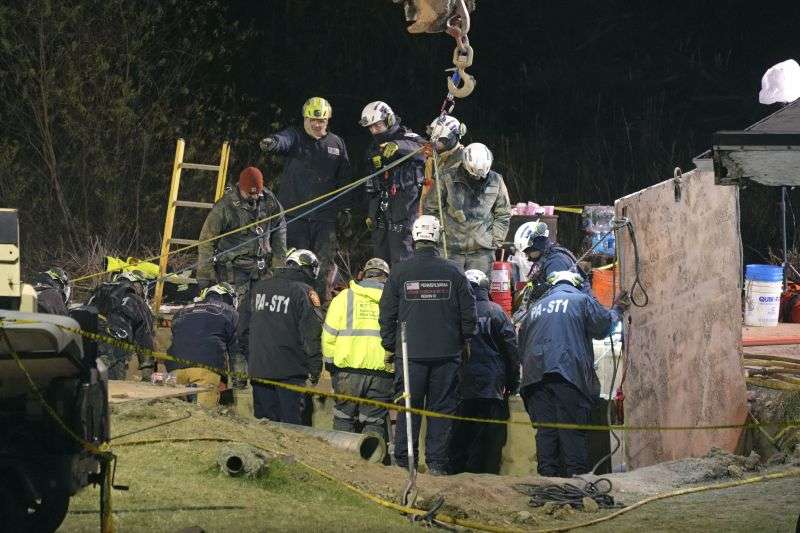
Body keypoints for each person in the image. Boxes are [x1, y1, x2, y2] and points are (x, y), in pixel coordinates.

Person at [379, 215, 477, 475]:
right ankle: (436, 464)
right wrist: (464, 340)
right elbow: (469, 315)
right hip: (446, 355)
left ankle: (403, 462)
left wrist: (392, 346)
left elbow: (386, 313)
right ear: (438, 237)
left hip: (410, 355)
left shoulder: (400, 271)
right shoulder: (454, 271)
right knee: (441, 410)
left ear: (414, 237)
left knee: (408, 408)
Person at [518, 270, 626, 477]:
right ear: (576, 284)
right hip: (567, 376)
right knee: (572, 433)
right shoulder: (580, 300)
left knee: (546, 433)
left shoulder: (534, 309)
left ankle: (548, 486)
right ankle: (575, 487)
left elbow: (521, 347)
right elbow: (603, 326)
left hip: (534, 380)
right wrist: (618, 310)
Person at [197, 166, 286, 385]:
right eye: (250, 193)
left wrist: (279, 266)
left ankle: (262, 373)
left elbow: (280, 229)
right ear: (242, 188)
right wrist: (205, 278)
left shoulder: (269, 200)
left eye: (258, 193)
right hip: (234, 273)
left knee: (263, 322)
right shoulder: (225, 206)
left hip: (262, 270)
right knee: (238, 325)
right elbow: (207, 241)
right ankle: (238, 379)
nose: (254, 197)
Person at [260, 97, 353, 301]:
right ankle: (292, 304)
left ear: (327, 120)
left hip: (324, 221)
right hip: (295, 218)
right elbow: (283, 140)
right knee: (295, 264)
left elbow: (344, 179)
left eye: (321, 120)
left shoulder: (336, 144)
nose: (317, 124)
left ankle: (318, 307)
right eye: (312, 120)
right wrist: (273, 142)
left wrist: (345, 209)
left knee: (323, 265)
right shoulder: (296, 137)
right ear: (305, 119)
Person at [239, 249, 323, 424]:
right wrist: (315, 368)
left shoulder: (258, 288)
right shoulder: (304, 291)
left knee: (264, 425)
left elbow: (242, 330)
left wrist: (253, 357)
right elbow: (311, 334)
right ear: (306, 268)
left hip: (259, 369)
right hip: (291, 371)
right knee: (290, 427)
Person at [449, 269, 520, 474]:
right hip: (492, 388)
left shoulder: (454, 312)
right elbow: (511, 352)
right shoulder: (497, 312)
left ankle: (458, 479)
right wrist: (513, 383)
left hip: (461, 387)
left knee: (460, 437)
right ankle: (488, 479)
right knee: (491, 441)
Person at [322, 258, 393, 443]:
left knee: (344, 418)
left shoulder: (344, 297)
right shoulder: (393, 300)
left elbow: (329, 334)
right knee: (374, 422)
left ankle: (343, 461)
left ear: (364, 275)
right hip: (382, 373)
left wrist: (330, 363)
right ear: (386, 277)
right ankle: (372, 461)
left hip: (347, 372)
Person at [422, 142, 511, 276]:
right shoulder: (446, 178)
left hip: (482, 252)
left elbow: (503, 213)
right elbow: (431, 208)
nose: (478, 178)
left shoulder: (496, 180)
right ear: (465, 165)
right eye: (474, 174)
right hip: (450, 250)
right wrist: (439, 236)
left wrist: (495, 239)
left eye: (482, 175)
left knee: (479, 292)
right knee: (449, 292)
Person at [361, 101, 426, 265]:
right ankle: (381, 288)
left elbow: (425, 150)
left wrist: (398, 146)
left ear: (389, 120)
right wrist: (370, 212)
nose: (374, 131)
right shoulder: (373, 147)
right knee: (379, 254)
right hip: (381, 208)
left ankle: (403, 288)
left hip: (405, 208)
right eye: (371, 128)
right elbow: (371, 181)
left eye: (378, 126)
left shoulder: (407, 137)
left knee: (401, 251)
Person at [166, 283, 239, 408]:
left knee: (176, 415)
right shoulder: (230, 312)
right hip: (206, 369)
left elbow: (176, 338)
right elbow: (236, 351)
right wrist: (238, 379)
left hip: (174, 369)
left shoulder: (182, 311)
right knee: (204, 418)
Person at [513, 221, 590, 318]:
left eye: (528, 252)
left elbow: (559, 299)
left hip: (572, 314)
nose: (528, 257)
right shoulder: (547, 256)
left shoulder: (556, 262)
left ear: (537, 245)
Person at [88, 270, 155, 380]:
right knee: (111, 392)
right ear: (137, 285)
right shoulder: (136, 300)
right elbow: (145, 338)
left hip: (83, 346)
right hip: (111, 353)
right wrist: (147, 372)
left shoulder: (96, 295)